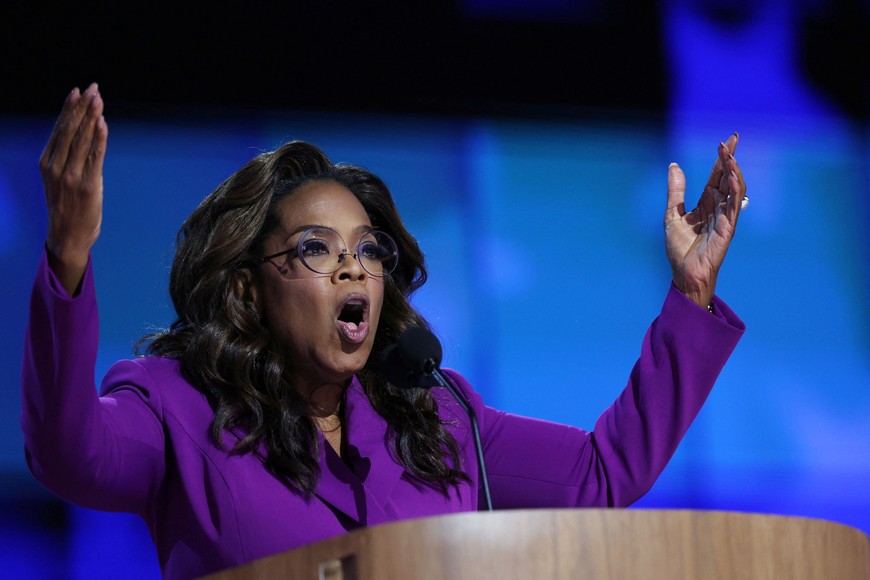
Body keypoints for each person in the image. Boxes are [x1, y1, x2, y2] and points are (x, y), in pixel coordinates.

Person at [22, 83, 747, 579]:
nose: (353, 270)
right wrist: (68, 258)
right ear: (250, 286)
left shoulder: (440, 419)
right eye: (317, 248)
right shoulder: (175, 407)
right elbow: (67, 452)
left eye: (368, 250)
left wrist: (689, 296)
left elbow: (600, 475)